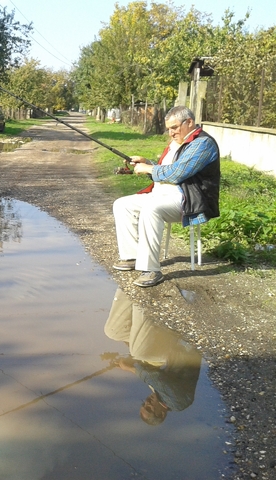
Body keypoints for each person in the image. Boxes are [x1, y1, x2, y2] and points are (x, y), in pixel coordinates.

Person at [112, 105, 220, 287]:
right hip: (162, 194)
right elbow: (167, 169)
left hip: (189, 200)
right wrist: (147, 163)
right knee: (122, 204)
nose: (170, 133)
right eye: (168, 128)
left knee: (151, 209)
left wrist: (150, 168)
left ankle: (151, 270)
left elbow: (177, 173)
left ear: (190, 122)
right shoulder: (176, 143)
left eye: (174, 127)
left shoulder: (202, 144)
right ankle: (132, 256)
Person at [105, 288, 201, 425]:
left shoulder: (157, 392)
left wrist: (132, 355)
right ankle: (143, 293)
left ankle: (128, 286)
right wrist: (130, 368)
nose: (147, 402)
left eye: (144, 404)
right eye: (149, 408)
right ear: (161, 414)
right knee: (139, 352)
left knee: (113, 332)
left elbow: (149, 370)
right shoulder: (179, 403)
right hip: (181, 345)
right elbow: (156, 378)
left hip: (168, 349)